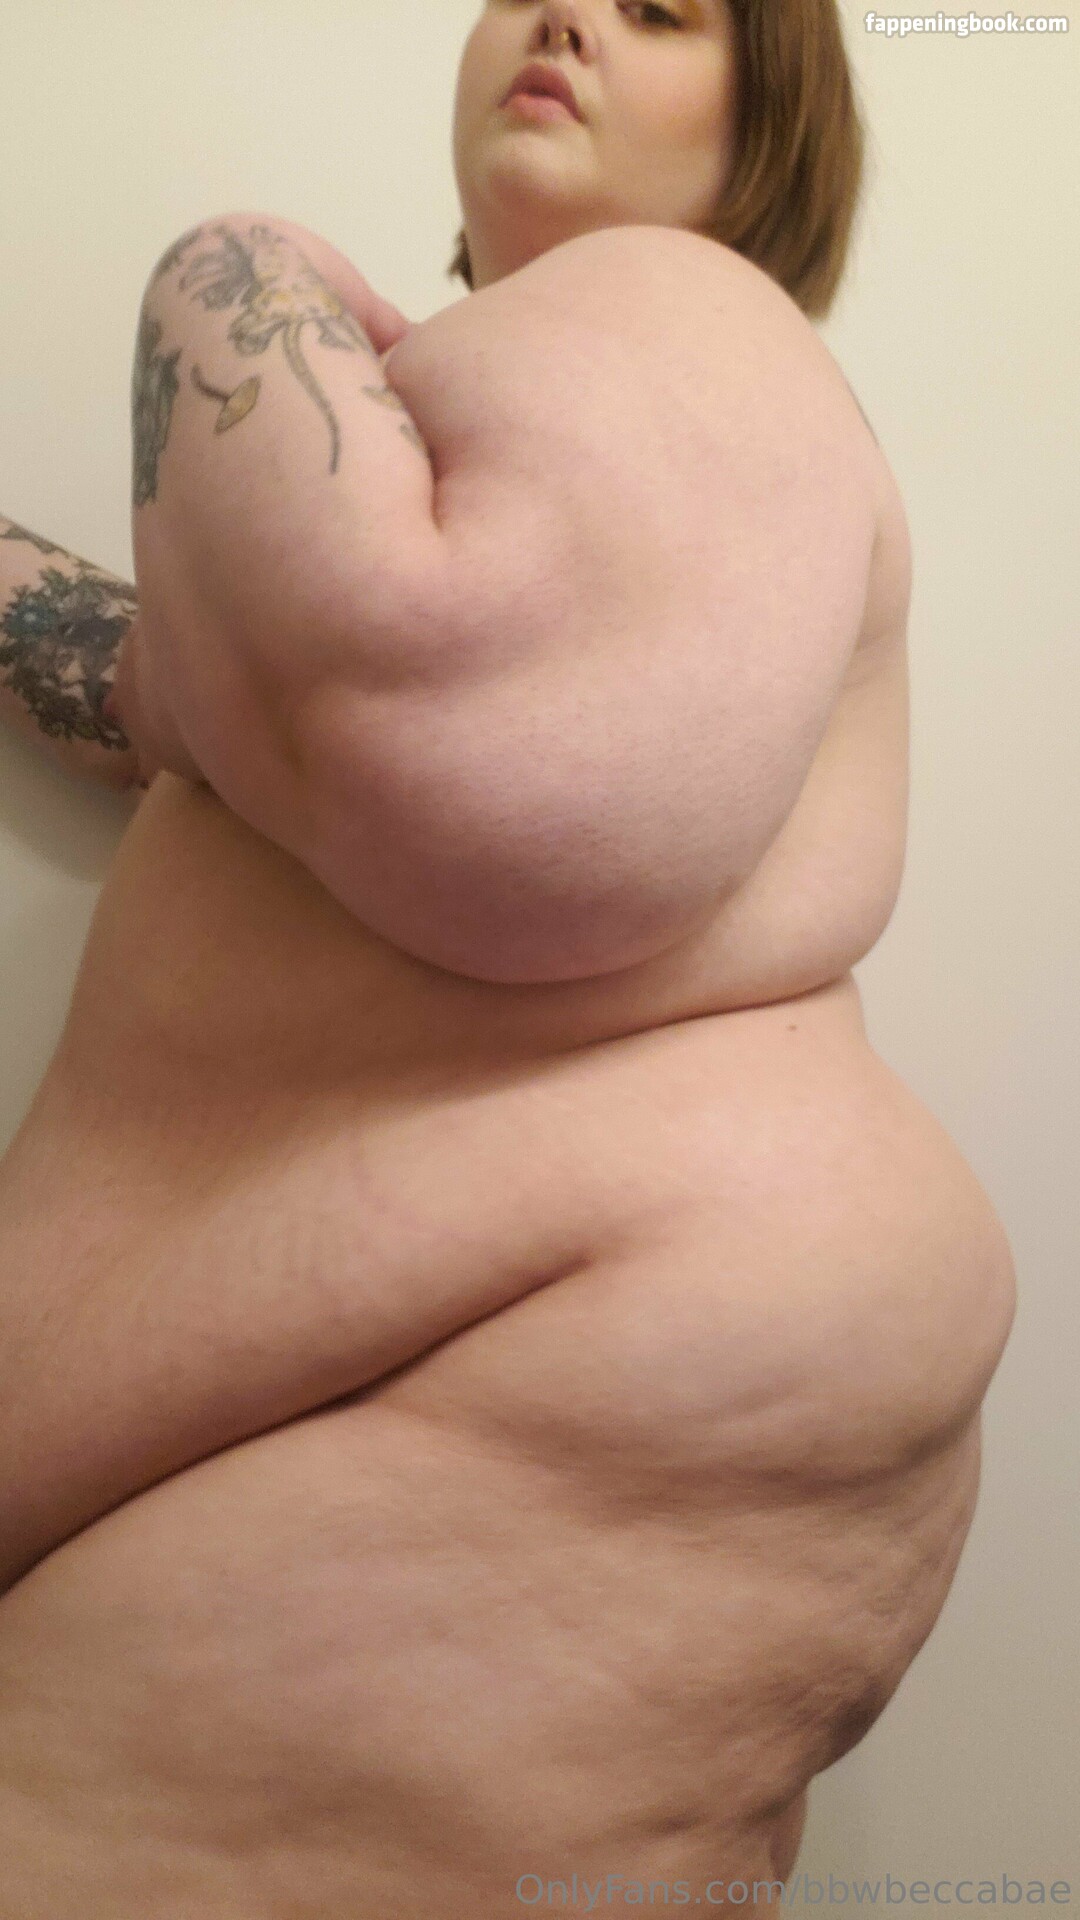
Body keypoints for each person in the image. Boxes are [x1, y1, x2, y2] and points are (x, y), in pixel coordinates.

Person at [0, 1, 1016, 1912]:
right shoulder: (628, 437)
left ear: (770, 133)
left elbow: (440, 715)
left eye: (663, 8)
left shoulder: (687, 312)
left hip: (517, 1378)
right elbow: (203, 699)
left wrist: (238, 269)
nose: (566, 13)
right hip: (517, 1402)